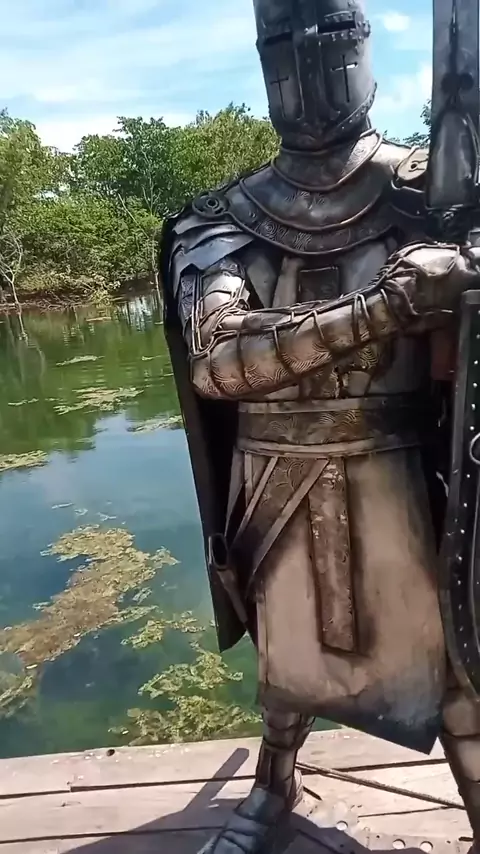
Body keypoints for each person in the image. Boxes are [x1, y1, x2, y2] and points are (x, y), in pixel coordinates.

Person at [160, 2, 480, 851]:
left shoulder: (431, 193)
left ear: (360, 43)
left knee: (454, 662)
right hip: (272, 474)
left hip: (407, 468)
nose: (306, 61)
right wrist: (386, 306)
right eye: (282, 41)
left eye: (329, 36)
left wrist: (464, 281)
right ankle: (276, 783)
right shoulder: (225, 216)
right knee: (286, 653)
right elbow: (220, 360)